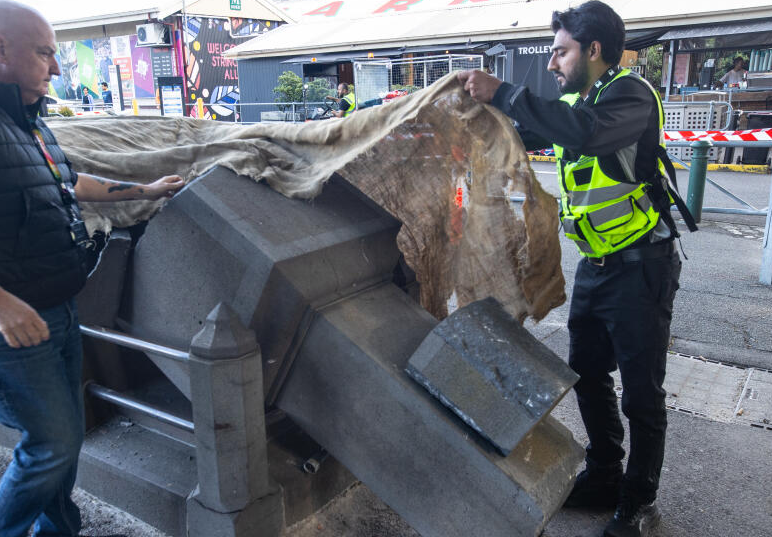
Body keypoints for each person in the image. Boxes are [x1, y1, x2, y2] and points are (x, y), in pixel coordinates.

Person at [458, 2, 696, 537]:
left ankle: (638, 501)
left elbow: (584, 133)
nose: (551, 64)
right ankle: (606, 474)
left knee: (641, 394)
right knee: (586, 375)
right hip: (597, 266)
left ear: (592, 49)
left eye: (560, 51)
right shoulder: (575, 99)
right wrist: (478, 116)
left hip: (641, 267)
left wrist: (503, 91)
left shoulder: (629, 97)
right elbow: (535, 131)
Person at [0, 2, 185, 536]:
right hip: (15, 323)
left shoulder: (31, 125)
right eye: (44, 54)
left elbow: (71, 182)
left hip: (59, 308)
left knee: (66, 437)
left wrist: (145, 190)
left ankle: (59, 530)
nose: (56, 69)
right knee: (51, 443)